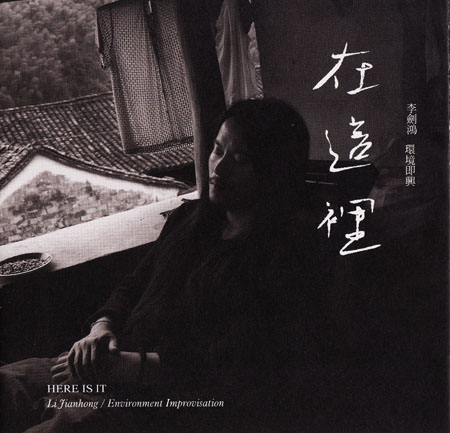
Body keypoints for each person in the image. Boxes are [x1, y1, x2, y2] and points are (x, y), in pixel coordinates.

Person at [1, 98, 330, 433]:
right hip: (109, 363)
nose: (217, 168)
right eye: (217, 150)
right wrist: (101, 328)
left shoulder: (284, 259)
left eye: (240, 159)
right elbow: (134, 284)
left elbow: (236, 367)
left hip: (160, 399)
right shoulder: (190, 219)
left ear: (273, 172)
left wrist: (123, 368)